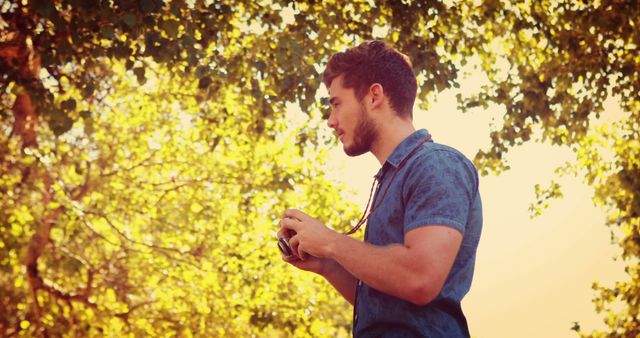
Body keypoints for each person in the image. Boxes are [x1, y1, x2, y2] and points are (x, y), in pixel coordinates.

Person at [277, 40, 482, 338]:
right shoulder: (390, 178)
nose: (331, 122)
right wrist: (328, 265)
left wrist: (332, 242)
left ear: (374, 96)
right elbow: (389, 307)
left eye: (336, 104)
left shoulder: (437, 165)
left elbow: (420, 279)